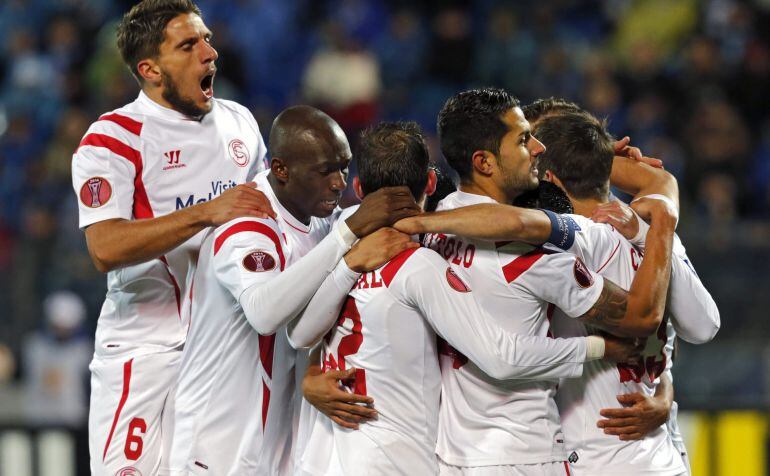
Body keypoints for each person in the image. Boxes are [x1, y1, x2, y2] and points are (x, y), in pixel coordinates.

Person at [290, 121, 643, 475]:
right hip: (399, 457)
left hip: (324, 455)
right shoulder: (421, 263)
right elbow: (501, 356)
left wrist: (313, 371)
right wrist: (599, 348)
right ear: (430, 182)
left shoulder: (341, 235)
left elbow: (301, 334)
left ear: (358, 187)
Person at [417, 87, 676, 476]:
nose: (537, 147)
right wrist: (663, 226)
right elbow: (642, 317)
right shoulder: (534, 257)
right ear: (484, 162)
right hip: (526, 455)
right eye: (523, 140)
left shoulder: (434, 223)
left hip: (451, 455)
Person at [70, 1, 274, 473]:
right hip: (144, 350)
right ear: (150, 69)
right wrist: (206, 213)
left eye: (207, 38)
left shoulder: (240, 122)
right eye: (189, 45)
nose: (210, 53)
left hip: (223, 351)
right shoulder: (113, 138)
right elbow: (105, 247)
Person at [167, 106, 421, 476]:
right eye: (324, 171)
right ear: (281, 170)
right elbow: (264, 313)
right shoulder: (249, 222)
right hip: (218, 444)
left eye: (344, 167)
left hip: (278, 441)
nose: (338, 182)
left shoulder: (318, 218)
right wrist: (348, 237)